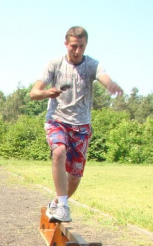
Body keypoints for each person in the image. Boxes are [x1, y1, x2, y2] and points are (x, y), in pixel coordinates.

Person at [30, 26, 123, 222]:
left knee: (74, 177)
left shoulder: (91, 65)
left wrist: (110, 84)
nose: (77, 51)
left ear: (86, 45)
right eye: (73, 46)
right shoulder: (55, 64)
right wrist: (49, 92)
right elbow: (33, 93)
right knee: (58, 151)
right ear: (66, 44)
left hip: (81, 126)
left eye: (81, 46)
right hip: (57, 120)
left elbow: (103, 76)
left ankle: (56, 203)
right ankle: (63, 206)